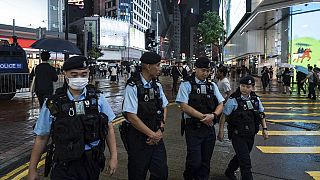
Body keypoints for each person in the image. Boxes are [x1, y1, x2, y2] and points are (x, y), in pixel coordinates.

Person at [27, 56, 118, 180]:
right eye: (74, 75)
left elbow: (109, 128)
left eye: (83, 74)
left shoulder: (97, 98)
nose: (79, 78)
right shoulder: (53, 103)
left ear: (88, 74)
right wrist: (32, 169)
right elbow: (42, 137)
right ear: (65, 75)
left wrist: (114, 156)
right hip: (64, 165)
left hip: (91, 163)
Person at [122, 52, 169, 180]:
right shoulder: (132, 87)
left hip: (156, 136)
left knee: (161, 173)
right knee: (137, 174)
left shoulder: (157, 86)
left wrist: (160, 129)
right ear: (148, 66)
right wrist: (151, 134)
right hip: (138, 139)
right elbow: (131, 116)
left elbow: (164, 107)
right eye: (158, 65)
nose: (160, 68)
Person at [176, 57, 224, 180]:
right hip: (193, 128)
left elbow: (221, 104)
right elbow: (184, 106)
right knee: (194, 161)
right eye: (203, 70)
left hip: (209, 129)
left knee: (205, 162)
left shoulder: (212, 85)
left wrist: (213, 116)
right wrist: (204, 117)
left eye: (208, 71)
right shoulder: (186, 84)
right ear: (195, 69)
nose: (206, 73)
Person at [218, 75, 269, 180]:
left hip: (250, 134)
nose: (245, 89)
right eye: (243, 86)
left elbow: (261, 114)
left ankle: (230, 170)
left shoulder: (255, 99)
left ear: (252, 87)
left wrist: (265, 129)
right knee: (245, 162)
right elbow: (224, 115)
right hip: (237, 135)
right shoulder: (233, 100)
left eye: (248, 86)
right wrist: (221, 131)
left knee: (241, 156)